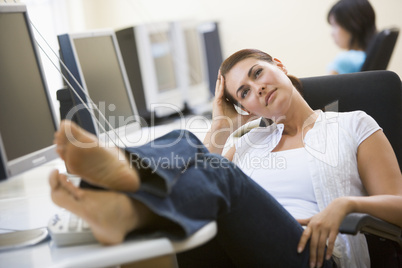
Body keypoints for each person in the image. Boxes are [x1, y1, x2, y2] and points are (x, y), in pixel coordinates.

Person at [49, 48, 402, 268]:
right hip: (239, 248)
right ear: (245, 107)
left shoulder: (351, 124)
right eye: (244, 92)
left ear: (278, 65)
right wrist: (221, 120)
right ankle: (126, 210)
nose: (257, 88)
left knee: (217, 172)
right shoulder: (249, 141)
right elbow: (197, 176)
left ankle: (127, 191)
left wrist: (346, 204)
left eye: (257, 73)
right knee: (189, 147)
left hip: (316, 255)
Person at [327, 0, 377, 74]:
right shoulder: (370, 57)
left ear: (352, 25)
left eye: (335, 25)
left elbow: (329, 85)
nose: (331, 33)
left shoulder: (345, 60)